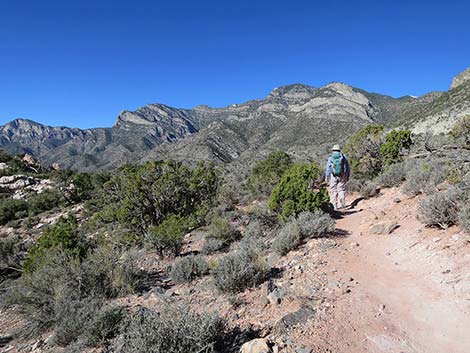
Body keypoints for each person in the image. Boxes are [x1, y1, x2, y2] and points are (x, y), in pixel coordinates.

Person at [325, 144, 350, 210]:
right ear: (339, 150)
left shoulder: (331, 158)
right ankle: (343, 204)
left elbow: (328, 168)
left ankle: (335, 206)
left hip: (333, 175)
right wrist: (347, 175)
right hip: (342, 175)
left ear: (333, 150)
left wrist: (327, 177)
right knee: (341, 189)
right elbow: (347, 167)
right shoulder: (344, 157)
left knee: (333, 190)